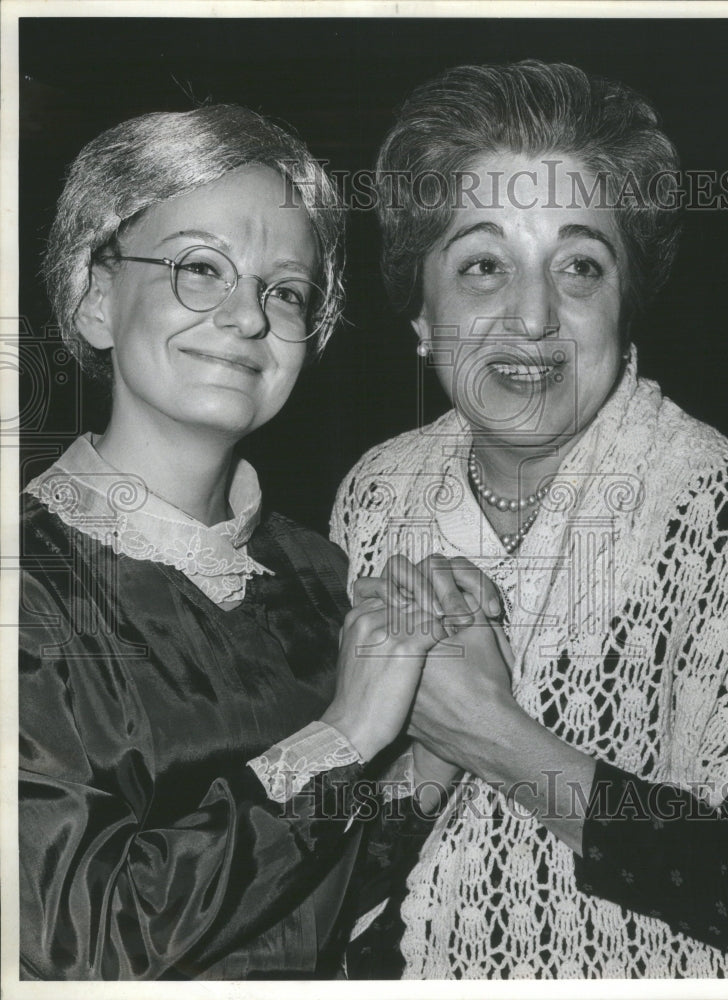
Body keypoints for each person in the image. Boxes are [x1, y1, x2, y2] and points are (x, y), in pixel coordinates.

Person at [331, 60, 728, 978]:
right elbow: (335, 862)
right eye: (483, 266)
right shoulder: (375, 493)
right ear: (423, 313)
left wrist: (491, 739)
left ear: (625, 304)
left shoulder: (725, 507)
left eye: (580, 266)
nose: (532, 318)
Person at [19, 104, 486, 980]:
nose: (247, 317)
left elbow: (315, 903)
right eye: (202, 268)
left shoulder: (320, 575)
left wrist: (439, 748)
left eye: (285, 290)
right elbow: (80, 946)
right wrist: (343, 735)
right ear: (93, 299)